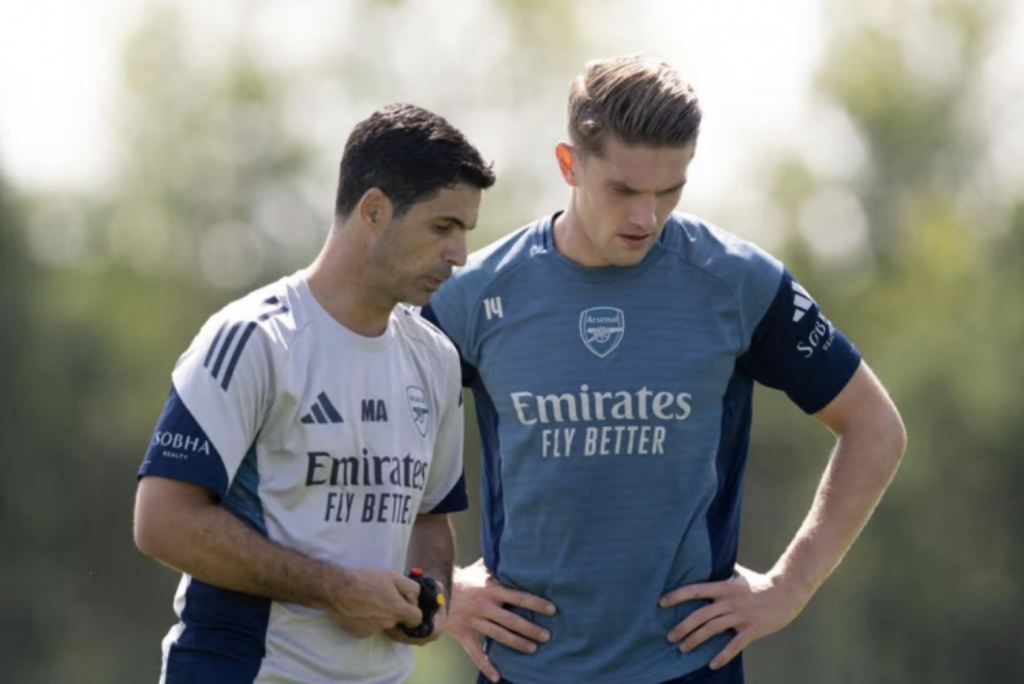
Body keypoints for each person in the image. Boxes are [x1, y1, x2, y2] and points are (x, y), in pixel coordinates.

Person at [421, 54, 906, 684]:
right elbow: (373, 438)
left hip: (689, 667)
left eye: (669, 190)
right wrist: (442, 590)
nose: (646, 218)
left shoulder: (738, 283)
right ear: (569, 164)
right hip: (520, 668)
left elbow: (875, 428)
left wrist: (789, 586)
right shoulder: (473, 295)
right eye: (623, 190)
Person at [133, 103, 495, 684]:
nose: (458, 254)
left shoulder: (436, 358)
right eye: (442, 227)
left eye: (465, 233)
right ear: (374, 210)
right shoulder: (255, 339)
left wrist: (430, 598)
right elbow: (162, 521)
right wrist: (335, 590)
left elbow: (429, 517)